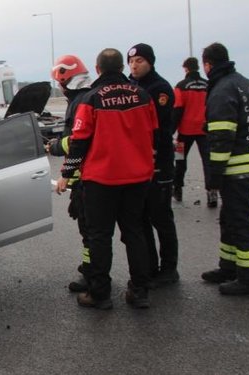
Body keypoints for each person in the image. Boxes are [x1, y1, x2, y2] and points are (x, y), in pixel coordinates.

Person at [64, 48, 157, 309]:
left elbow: (78, 143)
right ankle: (139, 291)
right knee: (135, 233)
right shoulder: (142, 95)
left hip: (101, 181)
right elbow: (154, 132)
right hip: (138, 178)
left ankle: (100, 294)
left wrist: (68, 174)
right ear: (122, 67)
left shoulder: (91, 99)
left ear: (98, 69)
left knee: (99, 237)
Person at [200, 42, 249, 295]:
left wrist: (214, 174)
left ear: (207, 64)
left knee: (244, 223)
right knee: (230, 219)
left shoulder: (221, 90)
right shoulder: (248, 85)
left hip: (238, 168)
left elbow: (221, 135)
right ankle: (229, 267)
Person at [128, 43, 180, 288]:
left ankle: (169, 269)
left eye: (139, 60)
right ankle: (149, 267)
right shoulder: (132, 87)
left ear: (150, 61)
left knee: (161, 217)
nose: (134, 65)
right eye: (131, 61)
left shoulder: (160, 89)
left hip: (158, 164)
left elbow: (159, 128)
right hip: (138, 165)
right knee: (141, 218)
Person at [49, 54, 94, 293]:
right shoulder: (85, 98)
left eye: (60, 83)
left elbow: (77, 142)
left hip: (87, 178)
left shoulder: (80, 102)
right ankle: (91, 269)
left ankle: (93, 275)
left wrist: (55, 147)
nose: (60, 87)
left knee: (91, 231)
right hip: (91, 175)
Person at [172, 57, 214, 206]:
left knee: (179, 160)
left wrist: (171, 130)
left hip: (184, 131)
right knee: (208, 162)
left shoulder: (181, 86)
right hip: (205, 130)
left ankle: (177, 189)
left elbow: (177, 109)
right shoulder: (208, 85)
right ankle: (211, 192)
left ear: (186, 69)